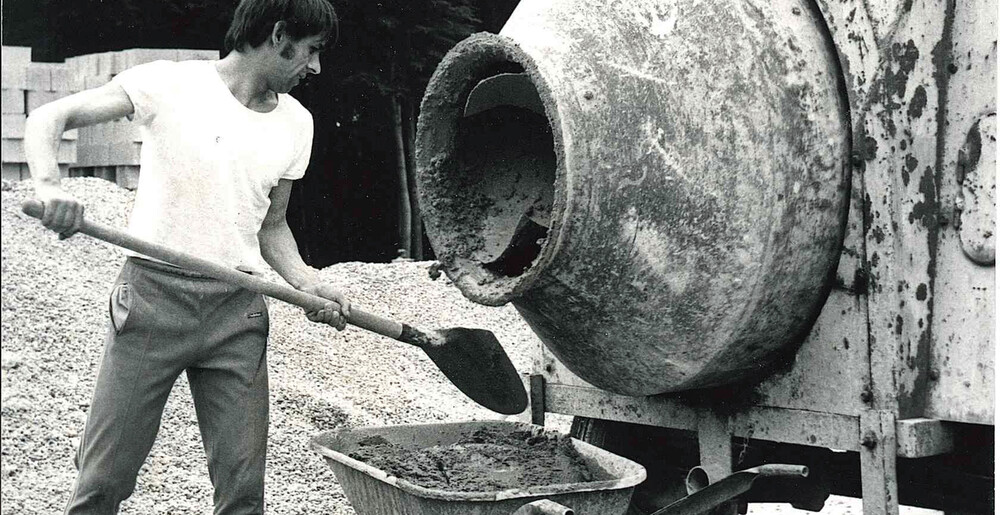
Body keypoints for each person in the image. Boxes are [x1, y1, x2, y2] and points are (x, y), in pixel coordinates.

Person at [24, 0, 347, 512]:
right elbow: (50, 115)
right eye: (310, 51)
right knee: (102, 482)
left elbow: (273, 226)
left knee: (243, 494)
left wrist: (308, 283)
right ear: (279, 35)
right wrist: (49, 186)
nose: (315, 67)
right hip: (152, 301)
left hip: (237, 311)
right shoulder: (170, 84)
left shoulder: (297, 124)